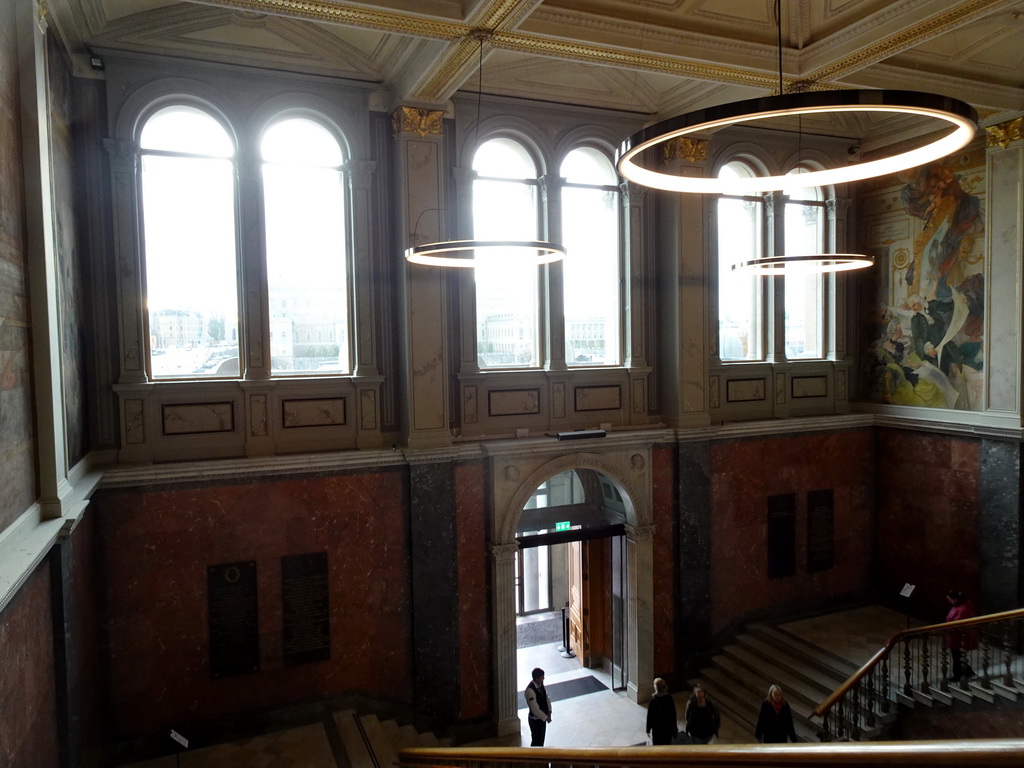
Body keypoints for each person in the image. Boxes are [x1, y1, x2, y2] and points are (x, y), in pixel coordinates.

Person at [945, 589, 978, 681]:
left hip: (959, 638)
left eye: (949, 599)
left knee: (957, 657)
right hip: (956, 637)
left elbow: (958, 624)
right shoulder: (960, 606)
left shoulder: (963, 609)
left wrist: (948, 628)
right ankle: (967, 672)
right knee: (958, 657)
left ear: (955, 599)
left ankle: (958, 675)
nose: (948, 600)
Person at [645, 677, 678, 745]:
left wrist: (648, 729)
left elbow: (650, 716)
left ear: (656, 687)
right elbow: (673, 714)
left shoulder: (653, 701)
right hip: (667, 728)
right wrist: (674, 727)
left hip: (657, 729)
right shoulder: (669, 698)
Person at [524, 667, 552, 746]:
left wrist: (549, 711)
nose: (543, 679)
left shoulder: (541, 685)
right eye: (542, 678)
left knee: (541, 740)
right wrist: (546, 717)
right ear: (536, 678)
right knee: (536, 741)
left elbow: (547, 698)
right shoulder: (529, 691)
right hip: (535, 721)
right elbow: (534, 709)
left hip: (542, 719)